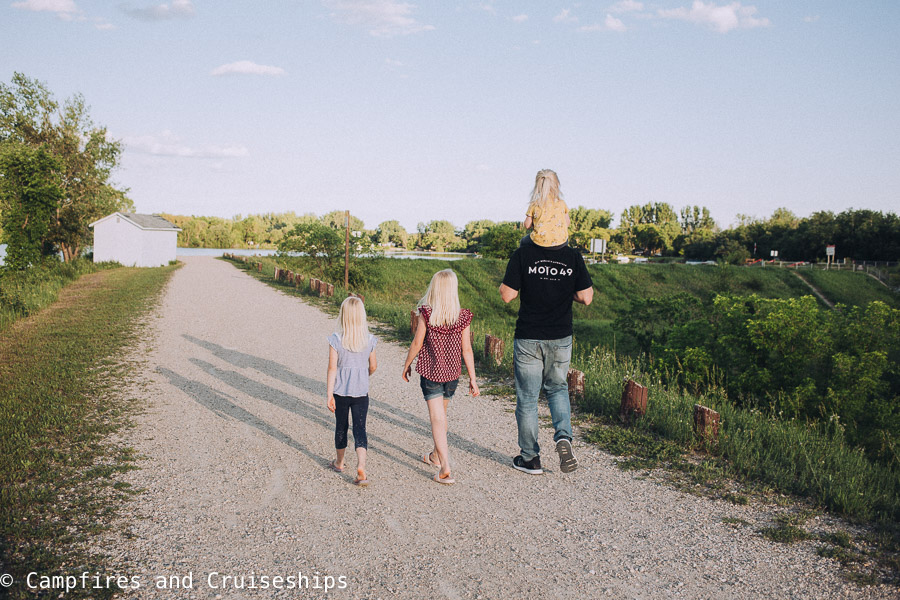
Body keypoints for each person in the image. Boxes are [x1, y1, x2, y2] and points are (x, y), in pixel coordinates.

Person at [500, 172, 593, 475]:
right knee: (557, 389)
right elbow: (587, 297)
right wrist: (565, 289)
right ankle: (563, 437)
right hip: (560, 336)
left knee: (527, 398)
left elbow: (506, 296)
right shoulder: (573, 257)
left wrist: (528, 281)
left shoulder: (523, 253)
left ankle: (530, 458)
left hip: (528, 336)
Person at [402, 269, 480, 485]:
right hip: (452, 375)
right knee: (442, 417)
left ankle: (445, 466)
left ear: (435, 289)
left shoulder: (427, 314)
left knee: (437, 418)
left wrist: (407, 364)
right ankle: (436, 456)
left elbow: (417, 343)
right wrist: (472, 378)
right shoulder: (462, 317)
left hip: (431, 374)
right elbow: (467, 350)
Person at [326, 296, 377, 486]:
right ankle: (361, 465)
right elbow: (373, 365)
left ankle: (339, 462)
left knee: (341, 427)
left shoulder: (336, 340)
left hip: (340, 392)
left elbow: (332, 368)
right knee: (360, 428)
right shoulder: (369, 340)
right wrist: (363, 375)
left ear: (343, 316)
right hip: (361, 393)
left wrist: (329, 394)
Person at [521, 169, 570, 248]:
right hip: (561, 243)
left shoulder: (535, 204)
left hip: (539, 242)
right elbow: (567, 223)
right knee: (566, 241)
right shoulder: (561, 203)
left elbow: (527, 225)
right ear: (557, 184)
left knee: (523, 241)